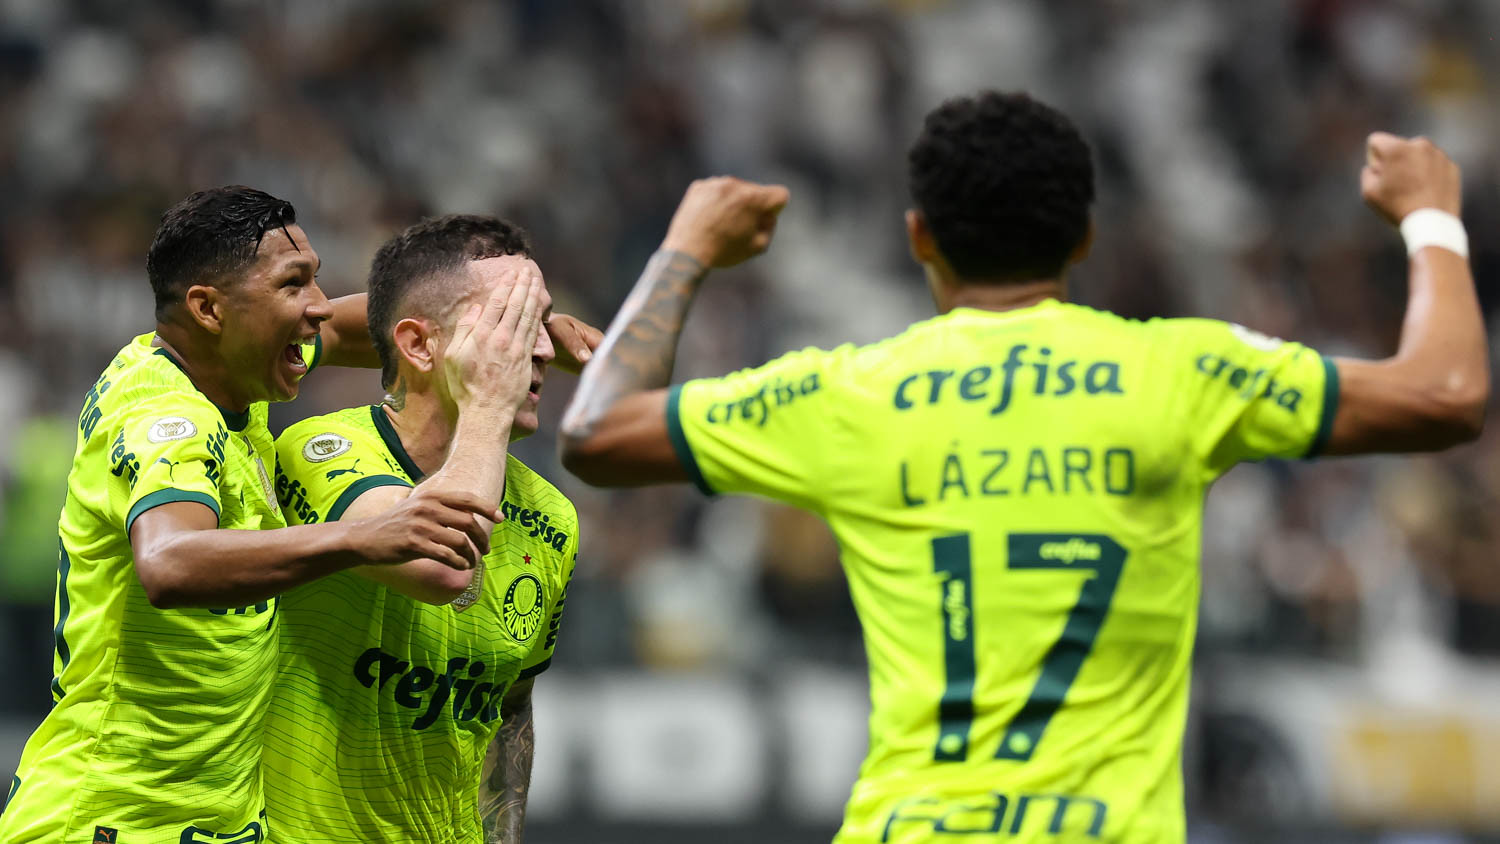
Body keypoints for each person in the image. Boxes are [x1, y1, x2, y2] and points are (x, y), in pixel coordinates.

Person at [558, 91, 1487, 843]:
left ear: (920, 235)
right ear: (1083, 238)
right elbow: (1445, 394)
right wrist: (1432, 221)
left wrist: (687, 246)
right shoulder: (1186, 371)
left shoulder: (849, 393)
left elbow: (597, 431)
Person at [0, 187, 542, 844]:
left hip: (209, 821)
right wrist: (359, 537)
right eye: (294, 284)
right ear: (209, 308)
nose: (318, 304)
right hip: (115, 819)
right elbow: (170, 562)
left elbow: (352, 328)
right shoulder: (167, 423)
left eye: (315, 278)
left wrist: (510, 338)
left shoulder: (227, 370)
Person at [263, 215, 579, 843]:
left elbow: (510, 707)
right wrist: (487, 404)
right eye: (511, 323)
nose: (543, 348)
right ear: (419, 345)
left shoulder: (553, 518)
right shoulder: (321, 450)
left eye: (540, 320)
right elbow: (439, 563)